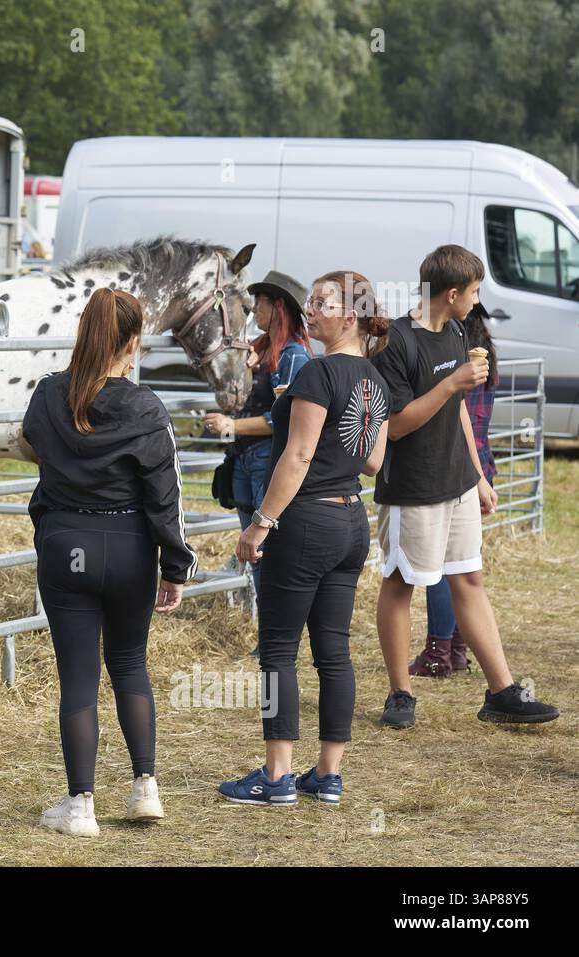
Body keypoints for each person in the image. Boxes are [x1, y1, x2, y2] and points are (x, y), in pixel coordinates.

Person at [22, 287, 196, 837]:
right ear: (133, 341)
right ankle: (145, 786)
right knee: (129, 665)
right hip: (128, 545)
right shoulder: (146, 407)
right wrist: (175, 566)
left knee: (77, 677)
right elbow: (165, 496)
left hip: (64, 540)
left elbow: (33, 444)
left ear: (83, 334)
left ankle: (80, 808)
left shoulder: (48, 395)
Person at [219, 271, 391, 807]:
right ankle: (327, 775)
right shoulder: (375, 379)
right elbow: (373, 461)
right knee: (333, 651)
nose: (310, 311)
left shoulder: (317, 375)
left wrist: (260, 523)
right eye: (311, 302)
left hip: (304, 523)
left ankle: (276, 777)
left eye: (320, 304)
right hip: (350, 523)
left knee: (277, 651)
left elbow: (296, 455)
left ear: (351, 314)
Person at [371, 245, 558, 728]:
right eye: (473, 292)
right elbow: (395, 425)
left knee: (470, 579)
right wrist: (453, 382)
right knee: (399, 584)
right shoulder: (396, 341)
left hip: (456, 484)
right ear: (451, 293)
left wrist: (477, 477)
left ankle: (502, 693)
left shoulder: (455, 331)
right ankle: (400, 694)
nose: (476, 303)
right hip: (412, 488)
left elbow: (457, 415)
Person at [203, 271, 313, 599]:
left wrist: (232, 426)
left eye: (259, 305)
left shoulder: (294, 355)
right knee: (252, 550)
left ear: (277, 306)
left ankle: (272, 634)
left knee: (267, 550)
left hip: (267, 458)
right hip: (246, 458)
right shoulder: (260, 350)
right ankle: (265, 627)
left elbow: (282, 418)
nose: (253, 312)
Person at [410, 301, 497, 677]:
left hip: (458, 466)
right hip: (480, 465)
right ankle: (459, 650)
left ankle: (439, 651)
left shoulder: (457, 362)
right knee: (464, 565)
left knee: (446, 568)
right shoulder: (485, 361)